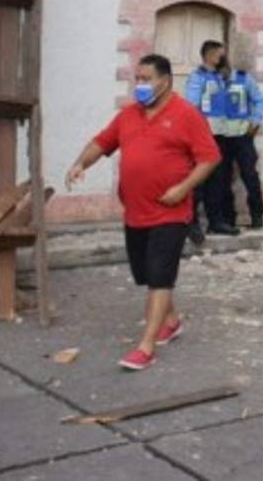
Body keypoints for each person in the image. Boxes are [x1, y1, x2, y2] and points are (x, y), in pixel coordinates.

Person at [65, 53, 220, 371]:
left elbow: (210, 157)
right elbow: (102, 142)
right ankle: (172, 320)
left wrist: (182, 188)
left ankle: (146, 346)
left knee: (159, 278)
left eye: (146, 79)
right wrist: (80, 162)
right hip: (136, 212)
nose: (140, 84)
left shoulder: (186, 115)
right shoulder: (129, 115)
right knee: (148, 273)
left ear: (165, 81)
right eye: (138, 78)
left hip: (171, 213)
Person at [184, 40, 239, 237]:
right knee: (199, 181)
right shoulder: (197, 76)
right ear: (209, 54)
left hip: (221, 133)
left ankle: (216, 221)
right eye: (219, 54)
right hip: (204, 134)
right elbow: (191, 106)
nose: (222, 57)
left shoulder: (221, 77)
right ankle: (191, 223)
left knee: (218, 180)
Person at [221, 36, 263, 229]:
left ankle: (257, 216)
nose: (221, 73)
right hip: (221, 137)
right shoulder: (211, 82)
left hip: (243, 137)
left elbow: (259, 100)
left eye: (223, 68)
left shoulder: (243, 78)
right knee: (222, 178)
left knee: (250, 176)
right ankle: (227, 218)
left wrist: (255, 122)